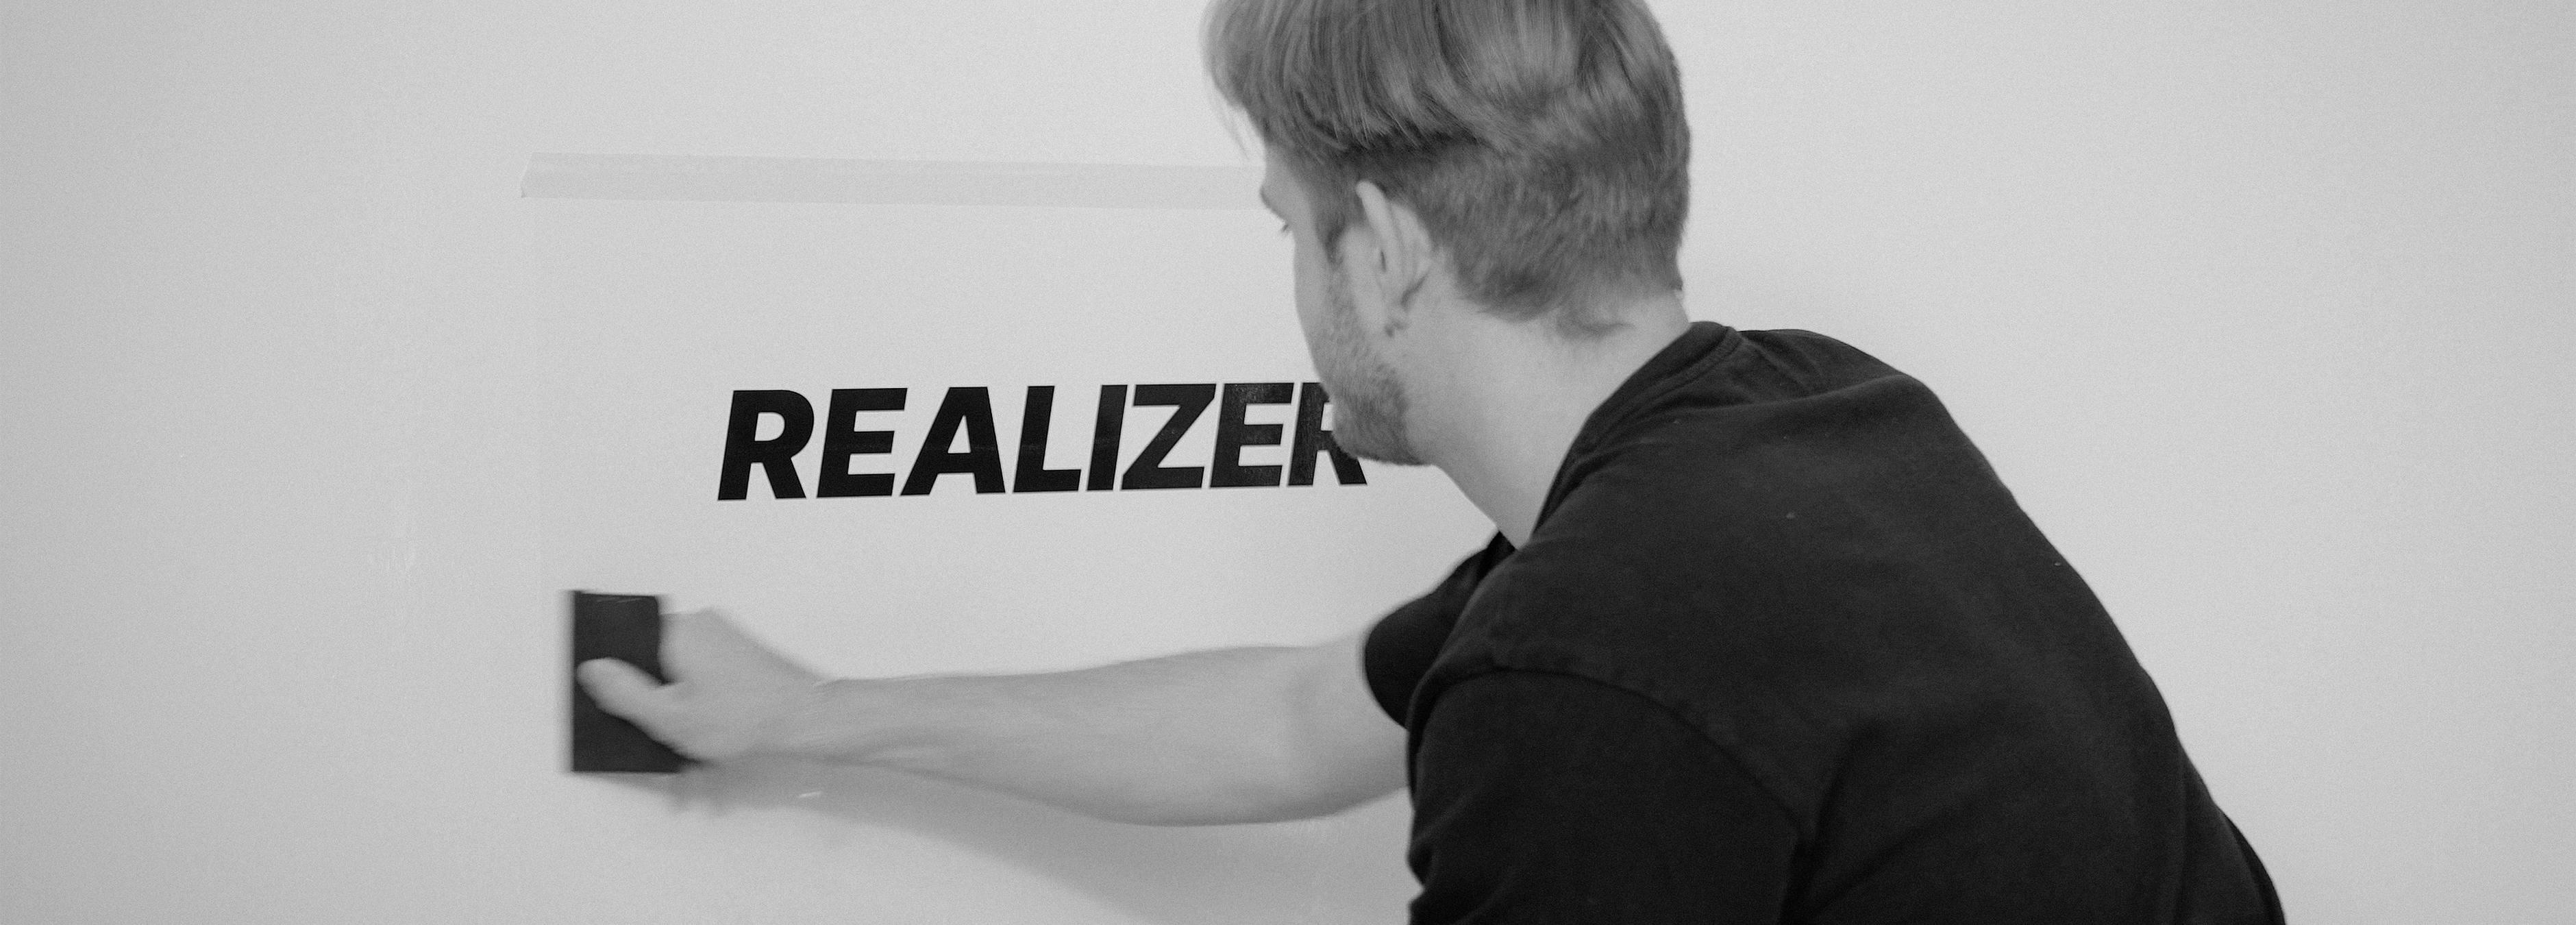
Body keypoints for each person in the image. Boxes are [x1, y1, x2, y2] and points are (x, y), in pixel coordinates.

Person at [579, 0, 2288, 920]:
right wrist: (817, 713)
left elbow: (1559, 689)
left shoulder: (1594, 661)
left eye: (1287, 228)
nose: (1291, 278)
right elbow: (1291, 721)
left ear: (1386, 249)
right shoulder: (1799, 412)